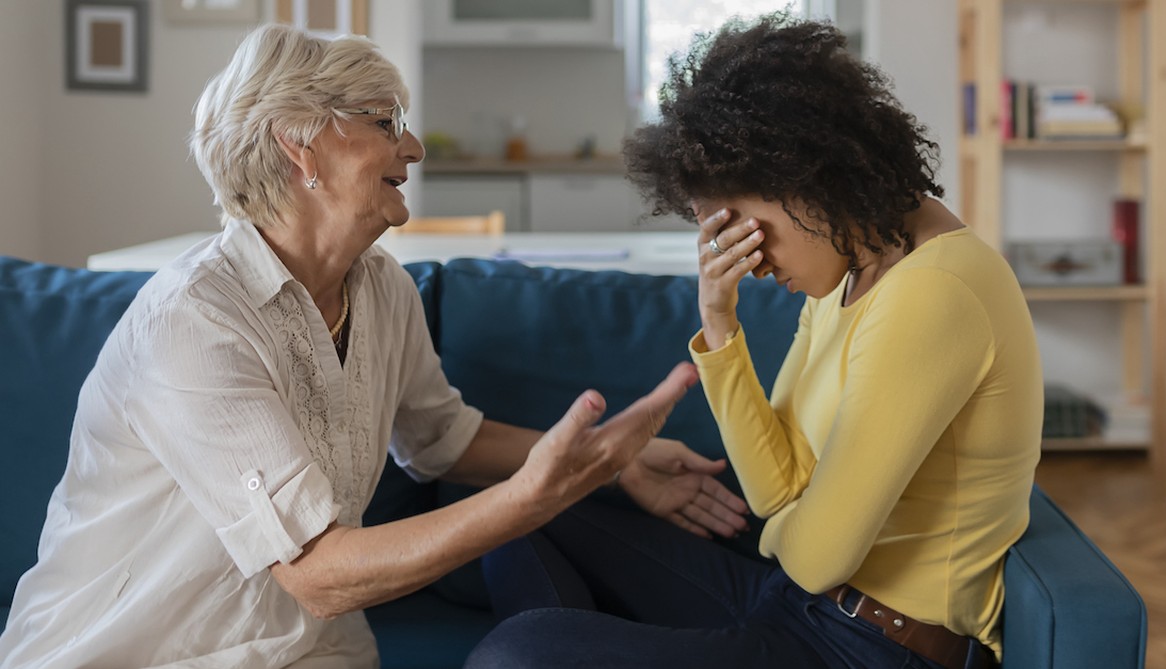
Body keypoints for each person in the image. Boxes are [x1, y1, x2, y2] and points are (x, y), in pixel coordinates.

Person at [0, 24, 751, 669]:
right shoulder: (194, 322)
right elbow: (319, 574)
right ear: (299, 147)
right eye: (386, 121)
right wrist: (533, 497)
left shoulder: (383, 289)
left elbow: (440, 440)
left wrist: (613, 460)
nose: (415, 146)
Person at [467, 13, 1042, 669]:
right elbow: (775, 489)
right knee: (511, 514)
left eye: (749, 229)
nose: (752, 260)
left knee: (516, 655)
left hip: (872, 647)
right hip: (798, 604)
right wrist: (719, 320)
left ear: (806, 178)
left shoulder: (936, 292)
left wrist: (791, 529)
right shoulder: (852, 271)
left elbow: (821, 551)